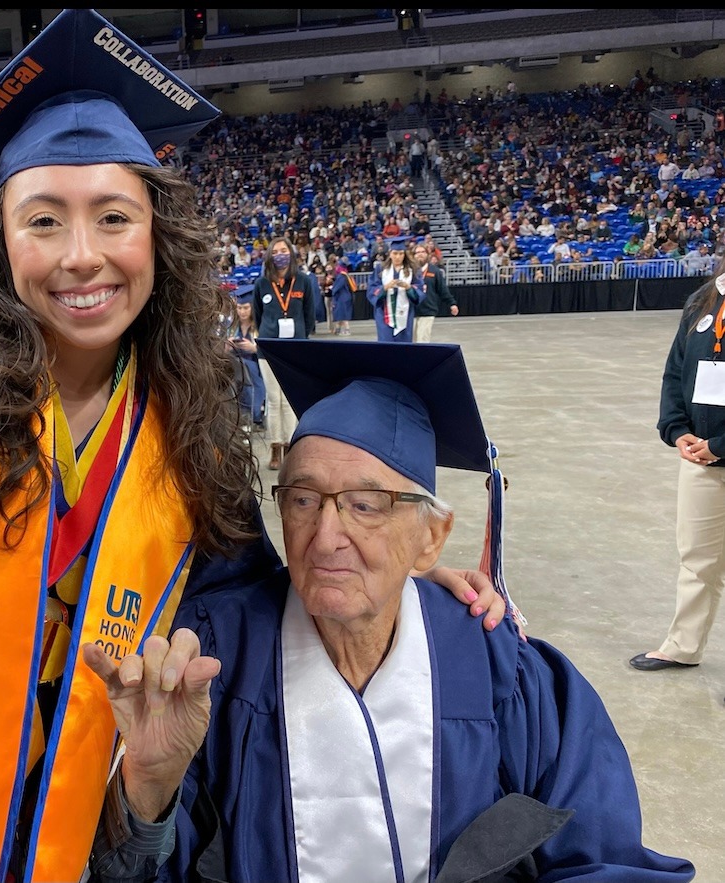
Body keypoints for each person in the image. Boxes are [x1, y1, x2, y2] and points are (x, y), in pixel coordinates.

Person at [0, 10, 505, 883]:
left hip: (53, 836)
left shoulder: (189, 419)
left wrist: (396, 568)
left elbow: (247, 599)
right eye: (43, 221)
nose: (82, 257)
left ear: (158, 235)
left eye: (113, 217)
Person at [150, 338, 697, 883]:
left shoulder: (497, 665)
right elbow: (148, 862)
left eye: (366, 506)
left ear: (432, 539)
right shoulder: (216, 657)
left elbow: (600, 855)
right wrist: (146, 796)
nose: (325, 536)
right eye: (302, 499)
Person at [632, 256, 725, 673]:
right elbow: (675, 373)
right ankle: (683, 646)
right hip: (701, 459)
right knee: (697, 557)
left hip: (717, 448)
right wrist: (675, 427)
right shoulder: (702, 302)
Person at [252, 235, 318, 470]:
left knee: (289, 400)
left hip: (295, 348)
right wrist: (266, 336)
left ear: (291, 253)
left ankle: (292, 446)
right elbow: (257, 315)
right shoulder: (262, 284)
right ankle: (275, 447)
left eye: (284, 250)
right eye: (276, 251)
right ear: (270, 256)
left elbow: (310, 313)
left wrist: (302, 337)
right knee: (273, 399)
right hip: (269, 349)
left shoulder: (303, 281)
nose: (280, 254)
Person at [366, 237, 423, 343]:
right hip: (384, 314)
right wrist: (385, 288)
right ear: (390, 253)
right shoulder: (381, 269)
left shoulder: (413, 270)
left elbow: (419, 289)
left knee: (403, 346)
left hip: (405, 313)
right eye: (395, 253)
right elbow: (372, 289)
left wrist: (408, 287)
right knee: (386, 345)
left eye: (401, 253)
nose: (398, 257)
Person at [226, 287, 264, 431]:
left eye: (246, 308)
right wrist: (228, 346)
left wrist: (254, 348)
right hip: (236, 365)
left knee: (248, 369)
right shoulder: (231, 327)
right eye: (239, 308)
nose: (242, 312)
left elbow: (266, 350)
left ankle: (254, 414)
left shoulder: (259, 326)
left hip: (256, 365)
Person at [412, 241, 458, 343]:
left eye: (423, 252)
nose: (420, 254)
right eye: (417, 252)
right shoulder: (409, 271)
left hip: (428, 311)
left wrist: (452, 303)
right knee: (410, 342)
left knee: (423, 341)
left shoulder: (434, 271)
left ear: (427, 254)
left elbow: (442, 289)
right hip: (411, 311)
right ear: (413, 255)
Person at [327, 262, 355, 337]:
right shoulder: (345, 275)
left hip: (342, 298)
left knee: (343, 315)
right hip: (344, 297)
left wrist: (331, 289)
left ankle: (347, 330)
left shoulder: (341, 276)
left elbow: (337, 288)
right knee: (340, 315)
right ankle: (338, 330)